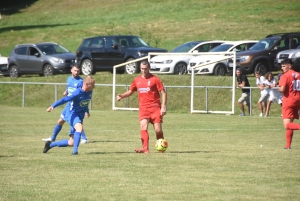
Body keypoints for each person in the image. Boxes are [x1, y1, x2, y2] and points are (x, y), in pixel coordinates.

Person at [116, 60, 167, 154]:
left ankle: (161, 147)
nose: (144, 71)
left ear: (149, 68)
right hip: (144, 108)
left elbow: (163, 93)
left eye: (145, 69)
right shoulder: (137, 80)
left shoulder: (155, 79)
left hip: (155, 107)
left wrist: (163, 106)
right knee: (143, 127)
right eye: (142, 69)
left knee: (158, 130)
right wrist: (122, 96)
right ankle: (145, 148)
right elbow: (131, 91)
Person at [43, 76, 95, 155]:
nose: (94, 86)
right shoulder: (77, 92)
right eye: (93, 84)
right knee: (79, 128)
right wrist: (53, 106)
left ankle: (50, 144)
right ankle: (75, 152)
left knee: (71, 143)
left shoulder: (90, 92)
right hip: (72, 114)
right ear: (87, 84)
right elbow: (64, 99)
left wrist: (86, 111)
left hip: (80, 115)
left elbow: (85, 103)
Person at [42, 65, 88, 144]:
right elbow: (69, 87)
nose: (76, 72)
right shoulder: (69, 79)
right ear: (71, 70)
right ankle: (53, 138)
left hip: (75, 105)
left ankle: (84, 138)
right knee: (60, 121)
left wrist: (86, 110)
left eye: (78, 71)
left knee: (76, 123)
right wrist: (66, 92)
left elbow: (82, 95)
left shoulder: (80, 82)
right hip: (68, 105)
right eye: (75, 70)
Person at [278, 59, 300, 149]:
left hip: (289, 101)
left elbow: (282, 89)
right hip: (298, 100)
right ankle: (288, 146)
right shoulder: (298, 74)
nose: (282, 68)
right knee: (290, 123)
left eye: (284, 66)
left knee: (287, 125)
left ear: (290, 66)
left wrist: (278, 88)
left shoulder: (285, 76)